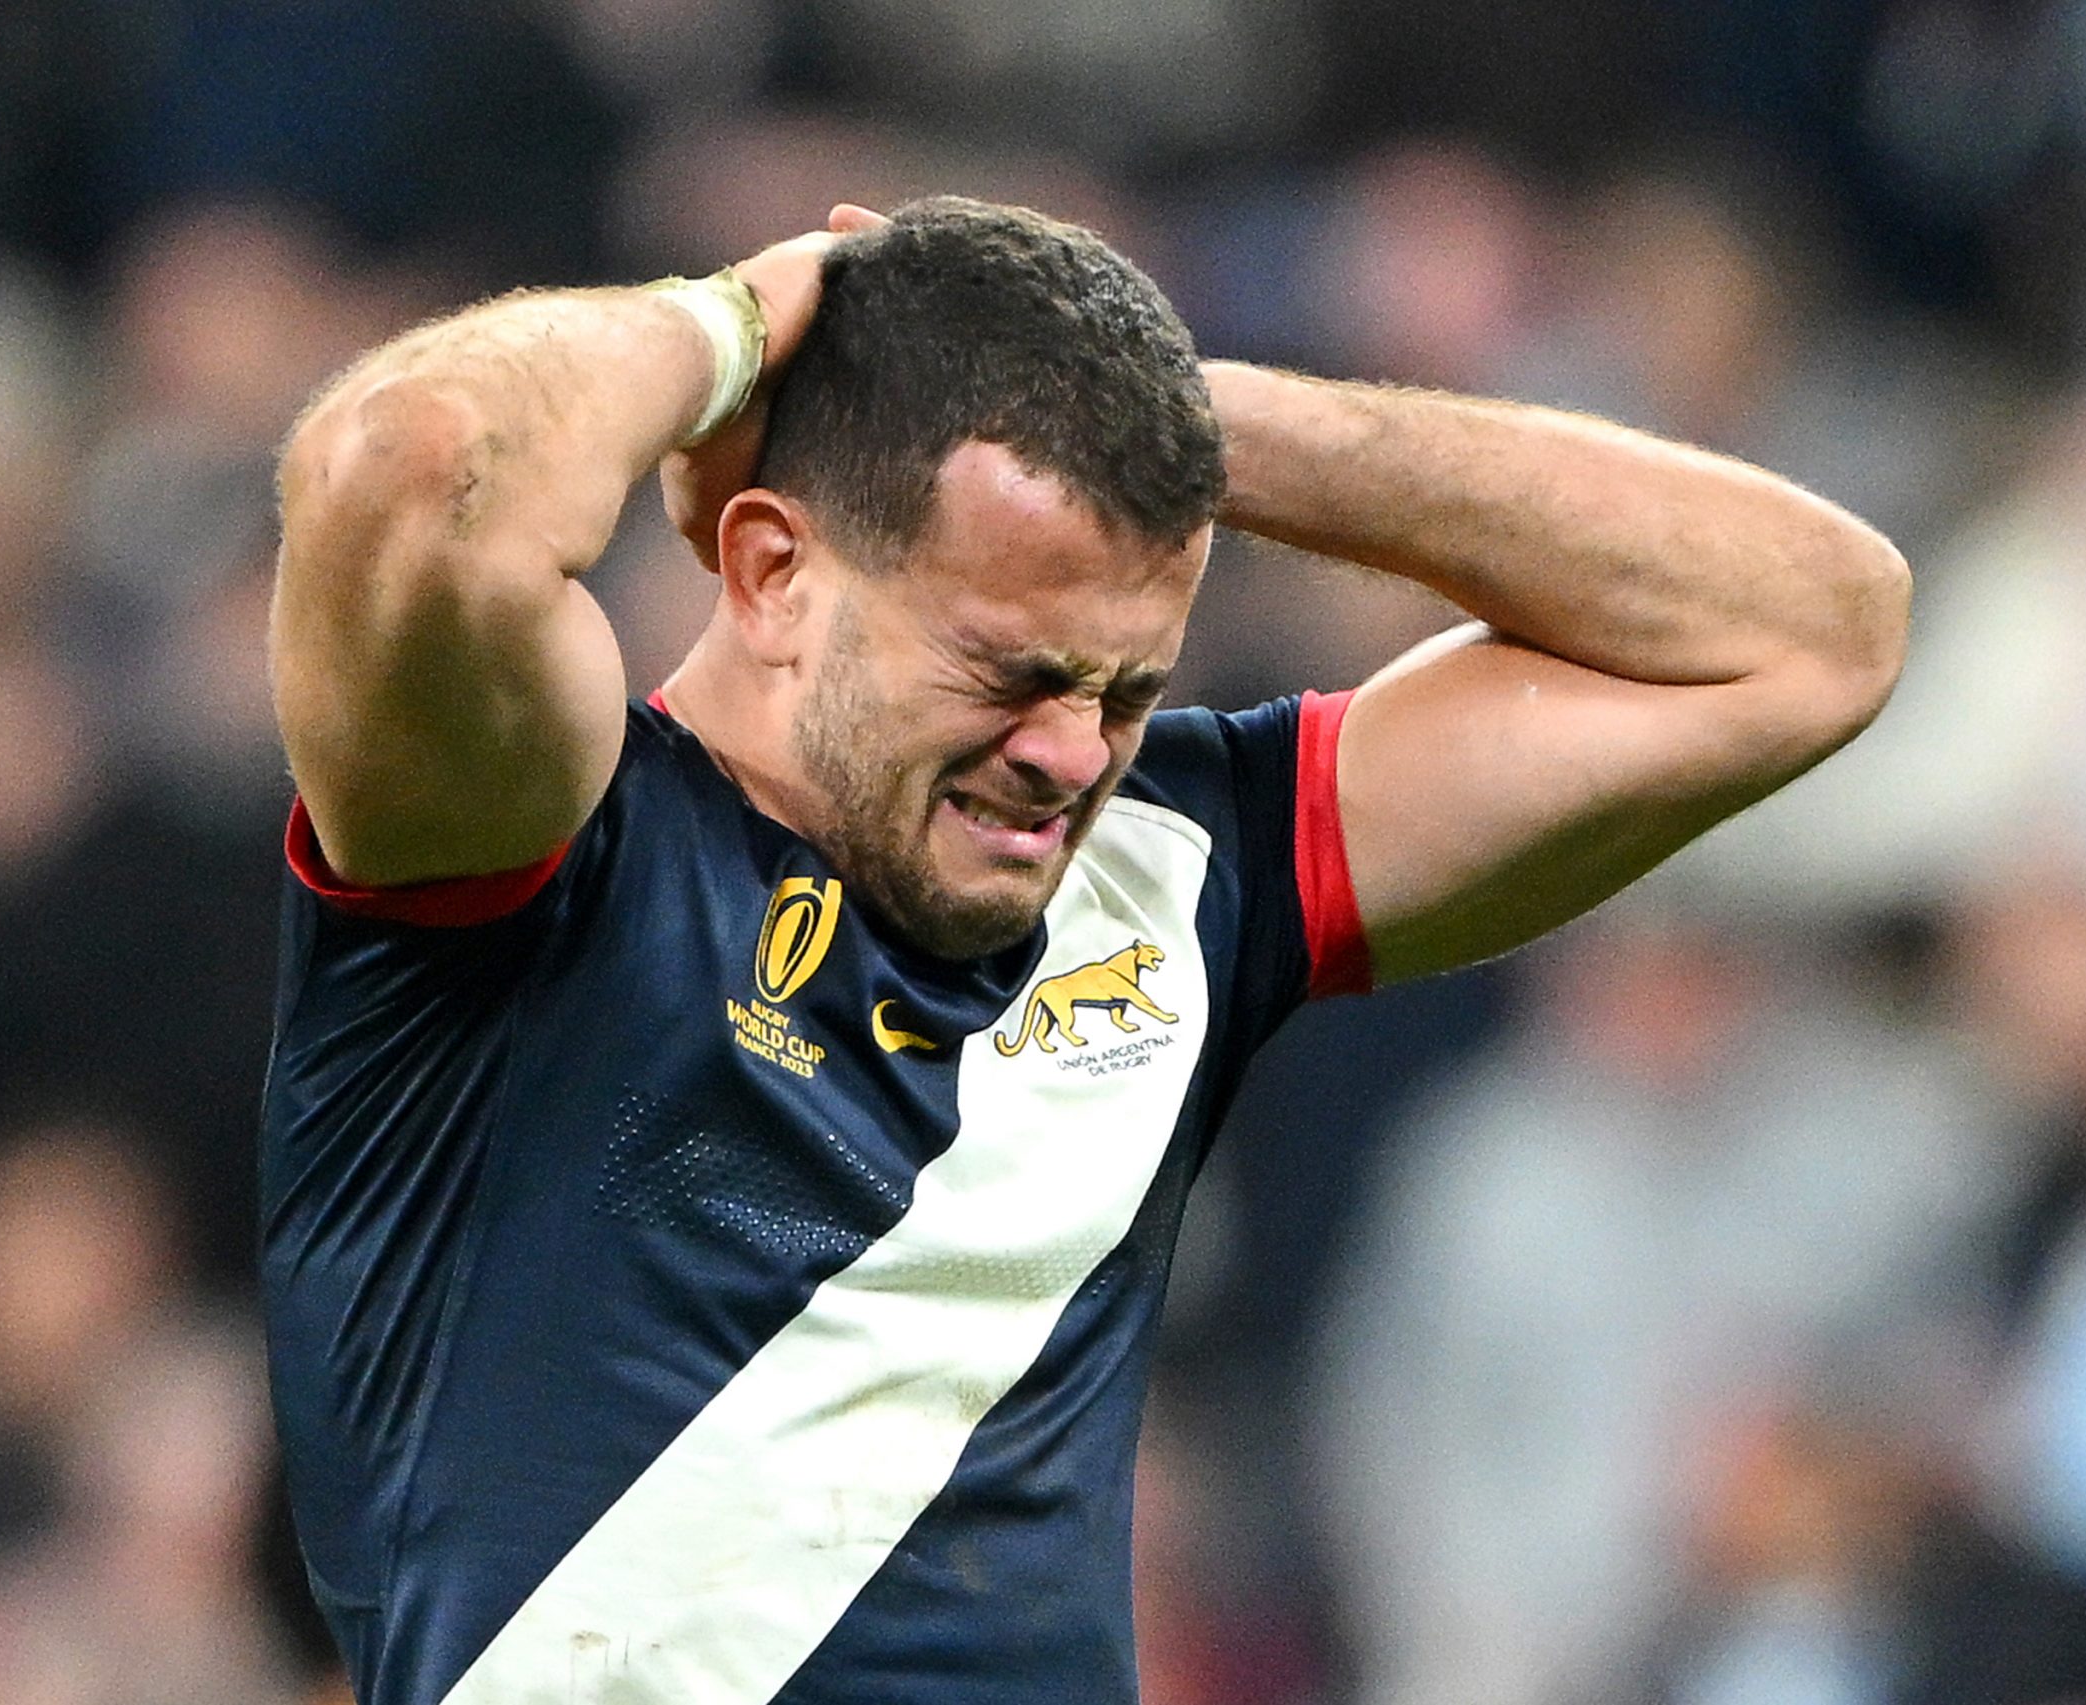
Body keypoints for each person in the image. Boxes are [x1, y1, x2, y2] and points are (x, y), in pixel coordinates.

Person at [261, 197, 1907, 1705]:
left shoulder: (1181, 872)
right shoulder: (535, 861)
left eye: (1125, 689)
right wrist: (737, 326)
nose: (1067, 753)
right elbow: (405, 468)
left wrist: (1183, 421)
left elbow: (1817, 632)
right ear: (773, 570)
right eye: (1009, 670)